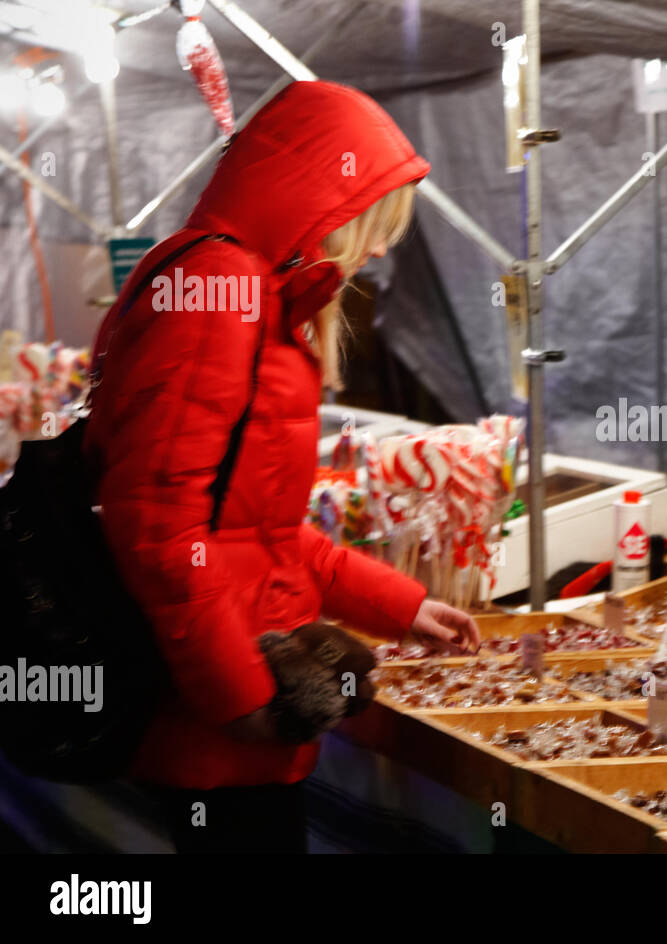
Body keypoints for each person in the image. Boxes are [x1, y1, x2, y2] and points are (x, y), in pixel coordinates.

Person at [83, 80, 480, 853]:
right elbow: (157, 528)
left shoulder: (256, 296)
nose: (380, 248)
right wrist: (245, 701)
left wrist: (400, 606)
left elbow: (258, 533)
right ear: (321, 206)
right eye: (374, 225)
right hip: (219, 715)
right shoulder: (218, 291)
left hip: (245, 702)